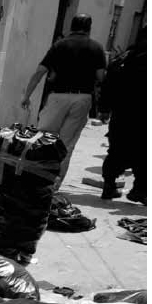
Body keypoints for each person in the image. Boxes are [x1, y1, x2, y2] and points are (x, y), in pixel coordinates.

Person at [20, 14, 107, 189]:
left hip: (57, 97)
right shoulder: (97, 48)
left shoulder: (59, 45)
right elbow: (101, 77)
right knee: (66, 145)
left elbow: (40, 72)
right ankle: (53, 187)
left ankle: (35, 181)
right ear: (89, 28)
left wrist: (27, 95)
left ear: (71, 26)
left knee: (43, 139)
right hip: (82, 98)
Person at [99, 26, 146, 204]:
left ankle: (109, 185)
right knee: (143, 153)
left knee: (117, 150)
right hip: (143, 116)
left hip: (122, 114)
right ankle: (139, 190)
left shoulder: (123, 58)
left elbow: (108, 84)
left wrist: (104, 109)